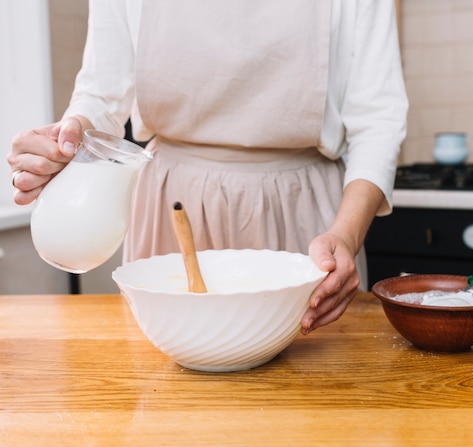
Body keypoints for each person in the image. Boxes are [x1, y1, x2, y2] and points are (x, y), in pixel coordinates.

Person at [8, 0, 408, 335]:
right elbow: (101, 93)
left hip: (307, 220)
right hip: (173, 207)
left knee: (313, 397)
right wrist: (73, 134)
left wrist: (345, 234)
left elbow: (379, 120)